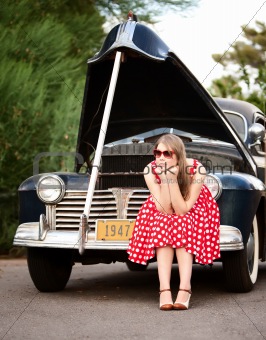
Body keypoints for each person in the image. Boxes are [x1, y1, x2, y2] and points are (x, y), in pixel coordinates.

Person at [127, 133, 220, 311]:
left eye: (167, 153)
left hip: (195, 209)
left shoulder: (196, 168)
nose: (161, 157)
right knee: (164, 220)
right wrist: (165, 178)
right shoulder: (150, 170)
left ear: (178, 154)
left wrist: (172, 179)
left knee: (182, 220)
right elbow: (164, 208)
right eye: (157, 153)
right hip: (162, 206)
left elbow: (183, 208)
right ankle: (165, 290)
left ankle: (185, 288)